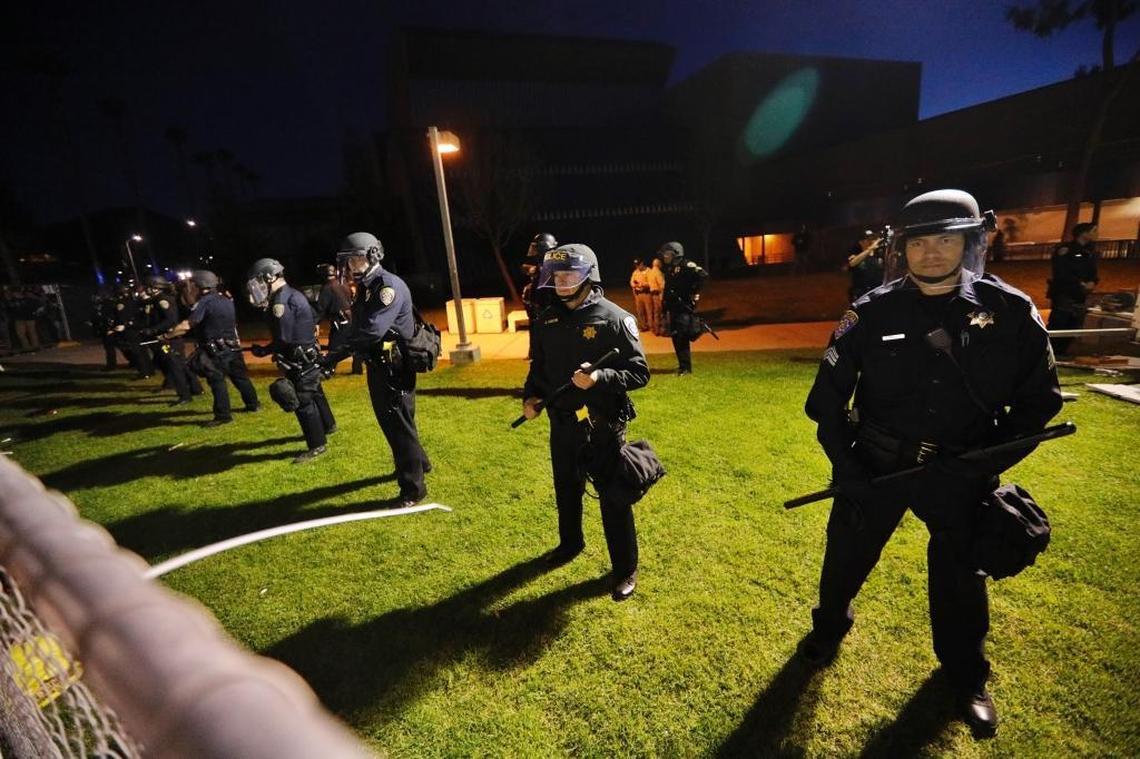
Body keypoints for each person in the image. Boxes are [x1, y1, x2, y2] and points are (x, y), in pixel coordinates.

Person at [800, 189, 1063, 736]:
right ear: (901, 249)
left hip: (960, 473)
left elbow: (1041, 404)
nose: (932, 253)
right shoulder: (870, 312)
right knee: (845, 557)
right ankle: (828, 628)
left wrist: (980, 462)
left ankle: (966, 675)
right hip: (876, 465)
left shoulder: (1010, 312)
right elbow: (826, 403)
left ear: (970, 242)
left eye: (947, 239)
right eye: (919, 242)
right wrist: (846, 465)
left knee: (960, 577)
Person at [522, 243, 650, 601]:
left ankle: (625, 569)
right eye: (557, 277)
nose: (562, 284)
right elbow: (539, 368)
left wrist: (600, 378)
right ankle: (570, 544)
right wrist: (530, 397)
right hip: (561, 422)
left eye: (570, 276)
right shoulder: (546, 318)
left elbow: (640, 372)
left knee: (613, 498)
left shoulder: (614, 318)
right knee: (566, 487)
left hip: (602, 424)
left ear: (589, 277)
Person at [328, 232, 431, 505]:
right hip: (381, 364)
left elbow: (371, 331)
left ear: (373, 256)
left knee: (397, 425)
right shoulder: (368, 286)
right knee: (399, 423)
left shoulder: (387, 286)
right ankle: (420, 463)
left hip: (393, 367)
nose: (352, 268)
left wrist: (337, 354)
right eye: (348, 262)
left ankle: (413, 488)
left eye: (357, 260)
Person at [247, 259, 337, 463]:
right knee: (316, 394)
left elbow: (284, 338)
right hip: (308, 355)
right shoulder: (292, 293)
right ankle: (328, 425)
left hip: (299, 359)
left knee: (304, 400)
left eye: (260, 281)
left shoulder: (280, 301)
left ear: (270, 277)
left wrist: (265, 350)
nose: (258, 287)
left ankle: (317, 445)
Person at [169, 270, 260, 427]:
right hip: (233, 347)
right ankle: (253, 404)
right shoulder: (225, 299)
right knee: (240, 378)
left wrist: (168, 335)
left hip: (216, 350)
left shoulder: (205, 302)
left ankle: (223, 416)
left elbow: (187, 325)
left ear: (200, 286)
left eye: (193, 285)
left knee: (217, 381)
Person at [139, 275, 200, 406]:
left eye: (148, 287)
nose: (146, 290)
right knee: (180, 365)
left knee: (175, 368)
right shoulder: (155, 300)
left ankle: (184, 395)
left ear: (155, 287)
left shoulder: (162, 300)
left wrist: (153, 330)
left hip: (169, 339)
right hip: (166, 339)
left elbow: (170, 320)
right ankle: (196, 388)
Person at [1046, 222, 1099, 356]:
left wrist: (1093, 282)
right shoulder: (1066, 250)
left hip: (1080, 295)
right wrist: (1080, 283)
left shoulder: (1089, 251)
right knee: (1058, 324)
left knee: (1073, 325)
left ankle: (1062, 353)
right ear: (1083, 233)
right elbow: (1061, 272)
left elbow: (1093, 272)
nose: (1096, 234)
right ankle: (1049, 354)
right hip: (1065, 293)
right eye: (1093, 231)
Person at [659, 241, 708, 374]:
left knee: (682, 337)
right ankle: (682, 365)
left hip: (684, 308)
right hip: (673, 308)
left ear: (675, 253)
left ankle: (686, 368)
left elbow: (702, 275)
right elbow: (667, 289)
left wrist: (694, 292)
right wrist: (664, 308)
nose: (664, 256)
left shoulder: (686, 265)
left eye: (666, 253)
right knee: (675, 337)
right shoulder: (670, 269)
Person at [314, 263, 361, 375]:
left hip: (340, 321)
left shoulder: (327, 288)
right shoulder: (343, 284)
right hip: (352, 318)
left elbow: (321, 309)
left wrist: (315, 322)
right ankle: (357, 369)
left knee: (334, 346)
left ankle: (329, 369)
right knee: (353, 345)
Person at [522, 233, 558, 358]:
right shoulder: (542, 267)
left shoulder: (552, 268)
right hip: (538, 311)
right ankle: (534, 352)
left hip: (547, 312)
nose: (534, 251)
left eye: (537, 248)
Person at [111, 284, 153, 378]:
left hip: (131, 330)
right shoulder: (135, 302)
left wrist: (124, 325)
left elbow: (122, 317)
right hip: (137, 328)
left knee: (137, 352)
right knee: (143, 351)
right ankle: (149, 370)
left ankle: (144, 372)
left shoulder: (122, 303)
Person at [847, 229, 885, 302]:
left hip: (877, 292)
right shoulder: (856, 256)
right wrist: (870, 249)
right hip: (862, 294)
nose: (871, 241)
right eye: (868, 239)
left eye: (872, 239)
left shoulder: (879, 256)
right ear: (861, 242)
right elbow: (852, 263)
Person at [629, 258, 653, 331]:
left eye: (638, 265)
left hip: (646, 294)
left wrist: (642, 285)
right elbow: (631, 281)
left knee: (649, 311)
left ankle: (651, 327)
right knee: (640, 311)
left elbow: (651, 283)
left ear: (642, 264)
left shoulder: (649, 271)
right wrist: (634, 285)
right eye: (636, 265)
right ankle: (644, 326)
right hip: (638, 295)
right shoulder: (636, 272)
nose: (637, 267)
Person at [647, 257, 665, 335]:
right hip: (658, 294)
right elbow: (662, 286)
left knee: (655, 312)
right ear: (658, 264)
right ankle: (660, 330)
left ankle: (655, 329)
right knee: (660, 312)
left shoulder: (650, 272)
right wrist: (662, 296)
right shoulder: (658, 273)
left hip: (652, 294)